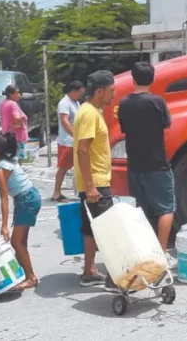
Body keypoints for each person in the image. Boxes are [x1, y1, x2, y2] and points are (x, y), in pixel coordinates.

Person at [118, 62, 177, 268]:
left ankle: (143, 251)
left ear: (132, 78)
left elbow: (124, 128)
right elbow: (167, 124)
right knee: (166, 209)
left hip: (134, 164)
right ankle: (160, 254)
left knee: (142, 210)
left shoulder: (124, 103)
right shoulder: (157, 102)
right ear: (153, 79)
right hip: (157, 164)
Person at [75, 70, 117, 290]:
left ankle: (89, 272)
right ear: (99, 91)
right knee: (109, 230)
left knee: (91, 229)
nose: (114, 95)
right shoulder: (90, 113)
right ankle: (114, 278)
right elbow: (83, 150)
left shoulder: (90, 110)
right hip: (96, 183)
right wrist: (91, 186)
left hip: (92, 182)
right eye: (111, 91)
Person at [0, 132, 41, 291]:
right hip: (28, 197)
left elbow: (4, 198)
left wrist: (4, 226)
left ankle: (31, 277)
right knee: (22, 240)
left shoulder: (2, 169)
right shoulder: (5, 162)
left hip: (26, 199)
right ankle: (22, 271)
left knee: (16, 241)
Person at [52, 81, 84, 203]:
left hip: (75, 139)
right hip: (67, 141)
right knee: (63, 167)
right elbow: (65, 121)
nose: (80, 95)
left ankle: (80, 190)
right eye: (79, 93)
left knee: (80, 166)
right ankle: (56, 192)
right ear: (73, 91)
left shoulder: (76, 102)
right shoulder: (64, 103)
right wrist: (74, 135)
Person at [0, 85, 28, 163]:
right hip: (18, 136)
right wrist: (21, 124)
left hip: (7, 135)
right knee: (19, 159)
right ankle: (17, 174)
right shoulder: (13, 104)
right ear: (11, 94)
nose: (19, 95)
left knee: (10, 159)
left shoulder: (2, 103)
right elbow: (17, 118)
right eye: (17, 93)